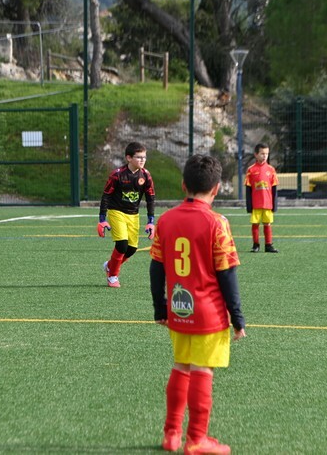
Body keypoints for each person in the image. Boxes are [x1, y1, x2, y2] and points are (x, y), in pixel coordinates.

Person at [149, 154, 246, 454]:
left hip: (179, 310)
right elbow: (227, 275)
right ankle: (196, 439)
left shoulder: (166, 220)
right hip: (208, 313)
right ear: (216, 189)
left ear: (183, 185)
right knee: (202, 371)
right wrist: (237, 318)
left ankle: (171, 434)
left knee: (181, 367)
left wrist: (160, 308)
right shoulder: (217, 222)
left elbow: (156, 268)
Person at [98, 142, 156, 288]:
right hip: (116, 211)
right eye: (139, 157)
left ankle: (110, 265)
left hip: (133, 215)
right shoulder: (117, 175)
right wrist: (102, 219)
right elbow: (106, 195)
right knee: (122, 245)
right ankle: (113, 276)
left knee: (131, 249)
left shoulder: (146, 176)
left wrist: (150, 221)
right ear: (129, 158)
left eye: (144, 157)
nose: (142, 160)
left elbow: (150, 198)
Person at [245, 143, 279, 253]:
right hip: (256, 204)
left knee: (267, 223)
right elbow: (248, 189)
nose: (265, 156)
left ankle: (268, 245)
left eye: (267, 154)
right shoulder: (251, 170)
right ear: (256, 154)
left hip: (268, 204)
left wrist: (274, 205)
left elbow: (274, 189)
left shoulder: (271, 170)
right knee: (255, 223)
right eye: (262, 153)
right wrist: (249, 205)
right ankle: (256, 245)